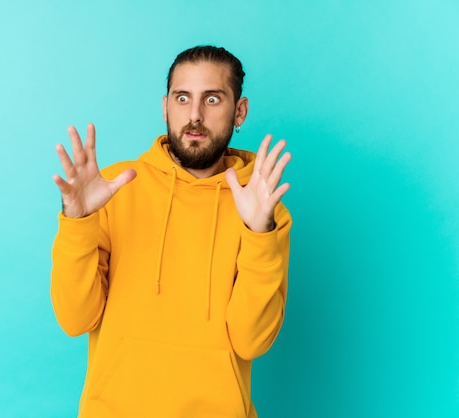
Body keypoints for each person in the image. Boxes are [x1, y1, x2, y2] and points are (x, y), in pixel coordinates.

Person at [50, 45, 292, 418]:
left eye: (212, 98)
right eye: (183, 98)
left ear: (239, 111)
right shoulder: (113, 188)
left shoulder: (262, 208)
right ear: (165, 106)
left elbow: (252, 341)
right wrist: (78, 221)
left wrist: (258, 233)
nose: (194, 115)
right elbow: (74, 319)